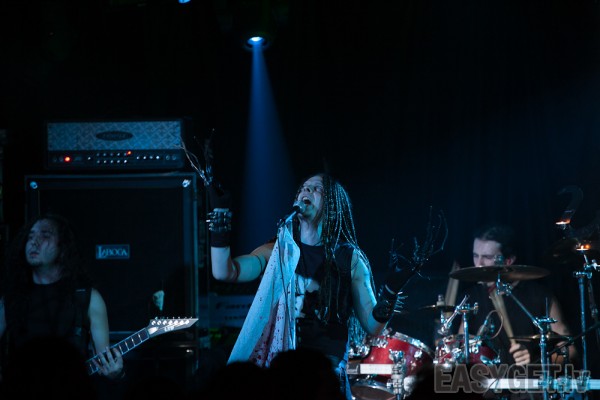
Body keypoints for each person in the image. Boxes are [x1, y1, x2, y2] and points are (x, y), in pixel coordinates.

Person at [207, 172, 421, 400]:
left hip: (326, 368)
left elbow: (372, 326)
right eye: (304, 188)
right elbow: (225, 272)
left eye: (318, 188)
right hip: (283, 363)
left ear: (332, 207)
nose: (307, 190)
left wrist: (390, 294)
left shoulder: (349, 259)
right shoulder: (278, 252)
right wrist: (220, 219)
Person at [0, 213, 124, 391]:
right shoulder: (12, 298)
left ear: (63, 247)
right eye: (30, 236)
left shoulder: (88, 298)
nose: (34, 242)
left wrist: (117, 373)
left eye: (45, 235)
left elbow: (106, 363)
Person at [455, 224, 577, 392]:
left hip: (528, 389)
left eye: (487, 257)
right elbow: (461, 345)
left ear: (508, 261)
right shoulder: (471, 297)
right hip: (486, 388)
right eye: (476, 256)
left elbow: (569, 349)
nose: (479, 264)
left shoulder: (540, 296)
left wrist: (537, 361)